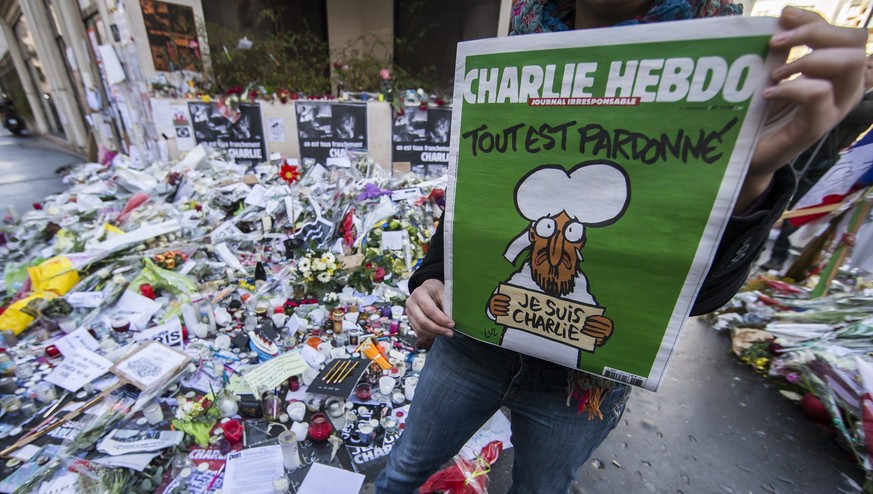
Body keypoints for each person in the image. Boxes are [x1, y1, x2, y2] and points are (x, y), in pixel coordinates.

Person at [375, 1, 867, 493]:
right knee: (403, 472)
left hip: (579, 387)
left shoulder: (725, 79)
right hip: (470, 347)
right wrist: (432, 276)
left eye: (570, 232)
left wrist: (749, 177)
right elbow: (473, 203)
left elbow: (696, 296)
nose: (557, 239)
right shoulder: (521, 44)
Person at [759, 54, 873, 272]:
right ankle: (754, 248)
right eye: (865, 65)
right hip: (800, 150)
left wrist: (844, 89)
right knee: (771, 199)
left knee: (798, 208)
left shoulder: (865, 99)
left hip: (823, 160)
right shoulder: (844, 89)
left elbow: (845, 111)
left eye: (871, 67)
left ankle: (778, 256)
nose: (865, 70)